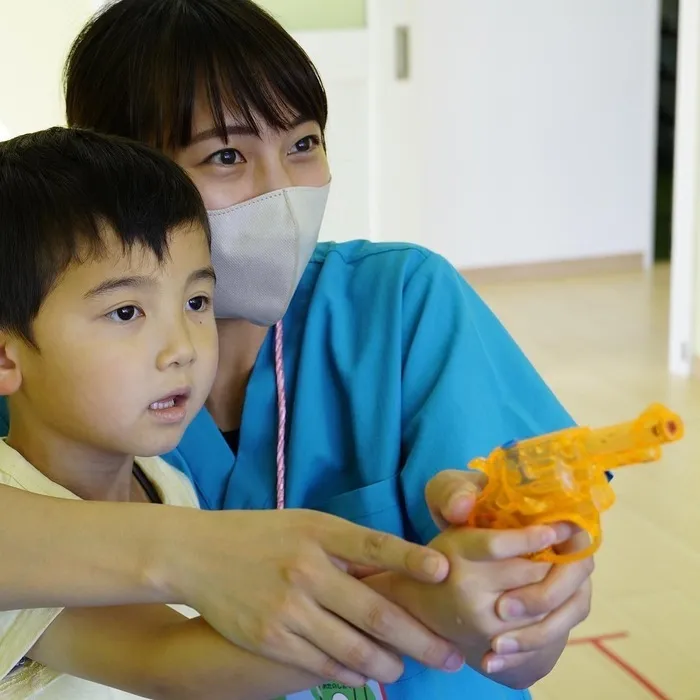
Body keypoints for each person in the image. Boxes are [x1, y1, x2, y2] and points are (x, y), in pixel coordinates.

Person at [0, 0, 595, 697]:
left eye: (304, 145)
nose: (283, 194)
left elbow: (516, 640)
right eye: (226, 155)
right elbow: (168, 656)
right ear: (121, 171)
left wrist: (512, 604)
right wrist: (195, 555)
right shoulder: (47, 368)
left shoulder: (401, 300)